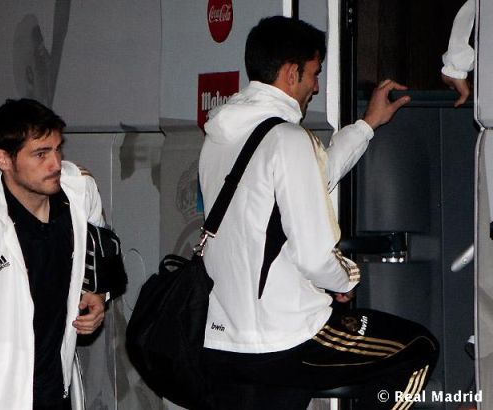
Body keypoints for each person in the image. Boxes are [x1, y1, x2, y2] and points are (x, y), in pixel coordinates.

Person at [199, 16, 439, 410]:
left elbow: (311, 180)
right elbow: (313, 256)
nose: (315, 87)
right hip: (286, 338)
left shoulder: (221, 138)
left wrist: (366, 125)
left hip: (225, 344)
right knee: (418, 348)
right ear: (291, 72)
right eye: (314, 73)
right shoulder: (289, 139)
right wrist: (345, 277)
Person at [0, 98, 107, 410]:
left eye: (58, 149)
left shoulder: (80, 191)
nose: (56, 164)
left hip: (58, 393)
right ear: (3, 159)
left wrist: (96, 290)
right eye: (41, 154)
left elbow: (100, 238)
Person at [441, 0, 475, 107]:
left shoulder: (455, 65)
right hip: (457, 64)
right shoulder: (457, 64)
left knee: (459, 30)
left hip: (456, 65)